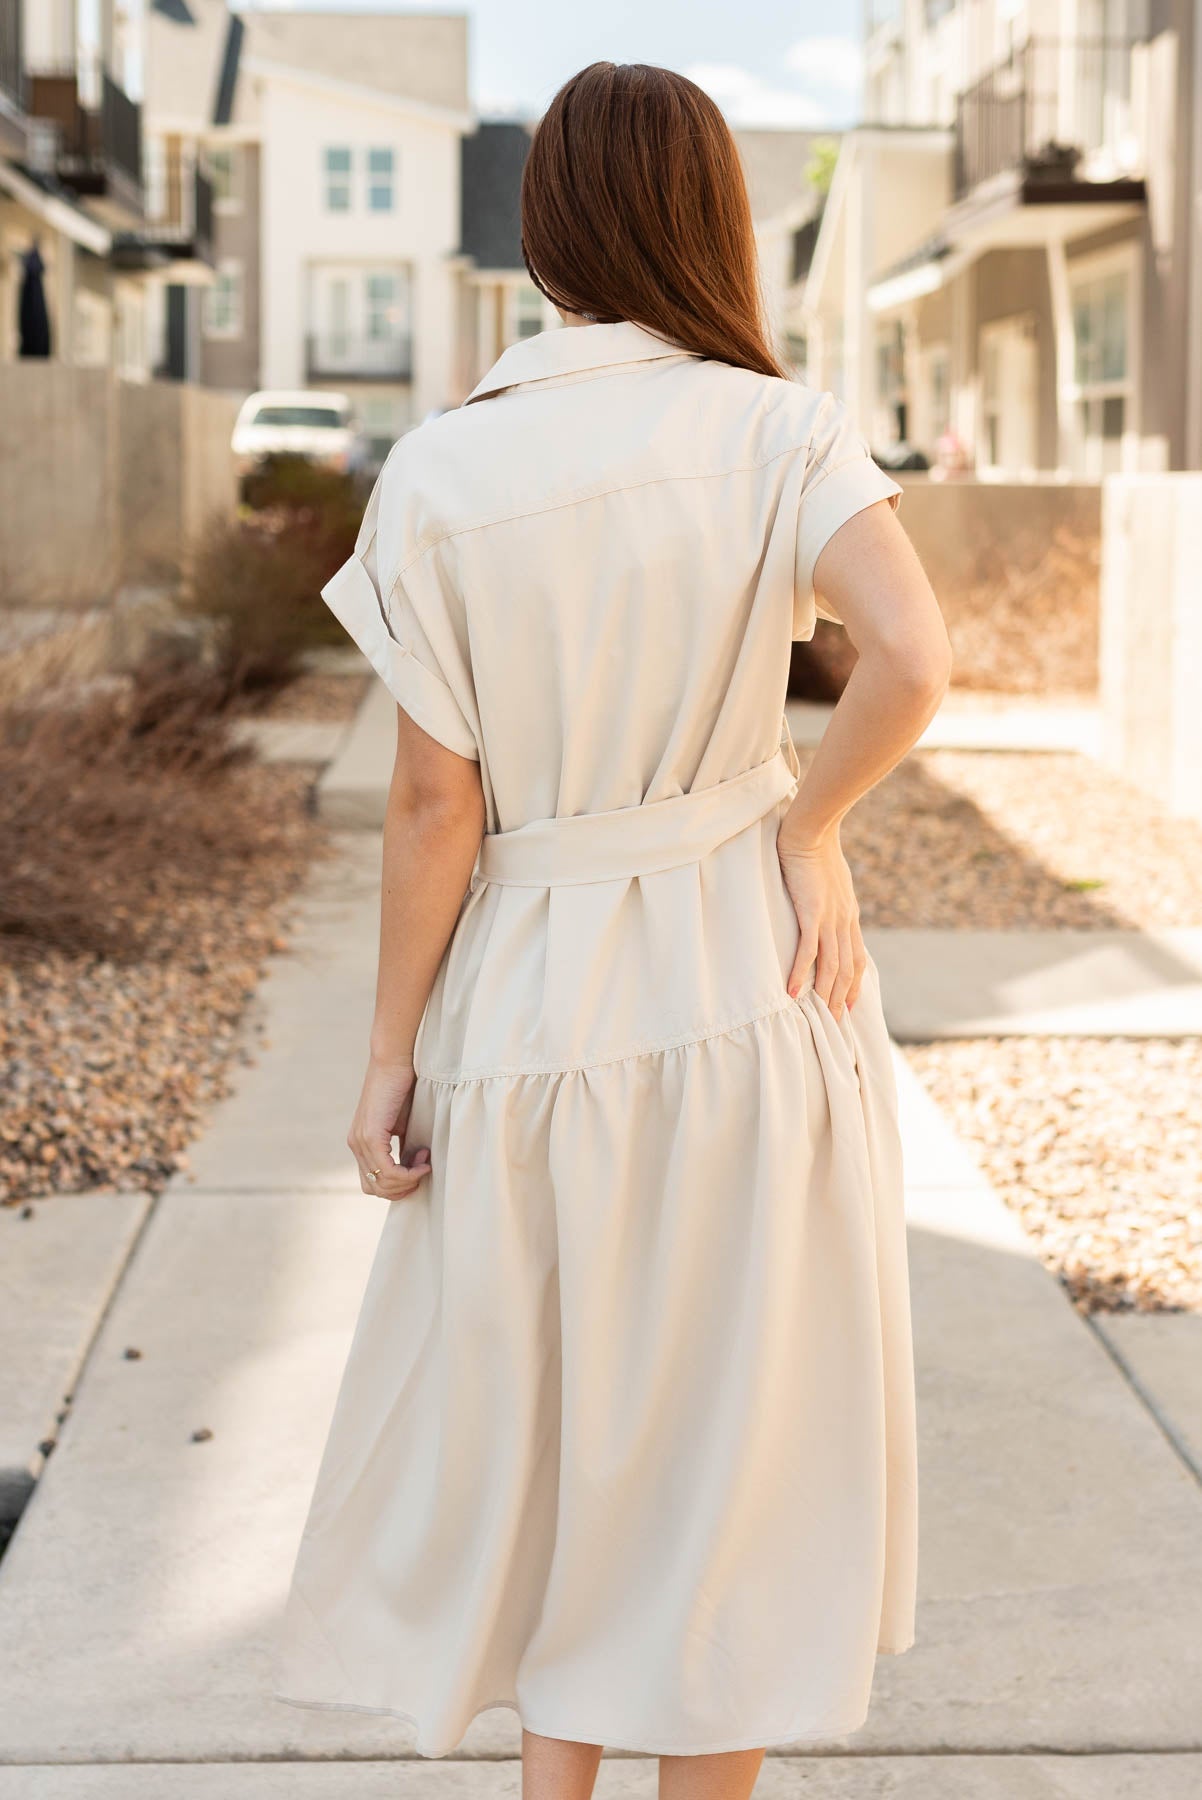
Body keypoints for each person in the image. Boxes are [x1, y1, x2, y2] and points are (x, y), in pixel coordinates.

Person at [274, 61, 951, 1800]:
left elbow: (438, 810)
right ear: (707, 213)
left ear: (544, 225)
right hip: (743, 980)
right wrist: (805, 827)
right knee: (720, 1461)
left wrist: (384, 1061)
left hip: (526, 1015)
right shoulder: (777, 427)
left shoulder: (438, 470)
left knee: (559, 1452)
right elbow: (913, 658)